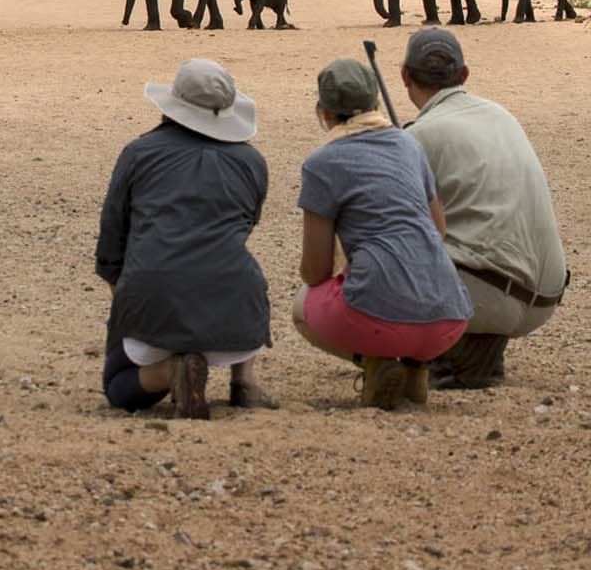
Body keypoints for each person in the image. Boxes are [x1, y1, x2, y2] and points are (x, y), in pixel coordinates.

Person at [98, 58, 273, 420]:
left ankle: (171, 371)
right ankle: (245, 378)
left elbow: (112, 243)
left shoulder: (138, 152)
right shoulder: (252, 161)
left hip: (154, 291)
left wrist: (127, 308)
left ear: (173, 104)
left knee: (117, 385)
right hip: (235, 306)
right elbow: (244, 226)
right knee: (244, 269)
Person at [292, 59, 471, 409]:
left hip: (377, 319)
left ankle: (375, 364)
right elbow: (439, 229)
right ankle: (415, 370)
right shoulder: (409, 145)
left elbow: (315, 270)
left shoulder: (321, 164)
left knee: (304, 305)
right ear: (375, 102)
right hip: (450, 320)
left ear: (323, 111)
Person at [399, 28, 570, 388]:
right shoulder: (501, 115)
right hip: (544, 298)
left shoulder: (417, 136)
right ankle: (474, 346)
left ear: (405, 76)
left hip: (491, 297)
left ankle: (450, 352)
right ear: (464, 75)